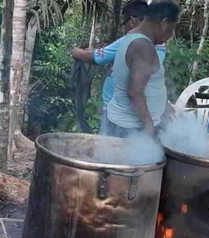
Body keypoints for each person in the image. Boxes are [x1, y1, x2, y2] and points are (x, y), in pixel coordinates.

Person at [72, 0, 167, 135]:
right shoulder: (158, 46)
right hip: (142, 111)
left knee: (109, 151)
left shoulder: (131, 41)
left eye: (124, 23)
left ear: (133, 21)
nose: (124, 29)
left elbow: (96, 58)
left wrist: (77, 52)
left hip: (119, 114)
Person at [106, 0, 180, 138]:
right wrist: (148, 124)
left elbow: (148, 83)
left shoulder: (132, 37)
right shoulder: (143, 46)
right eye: (172, 28)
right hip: (132, 130)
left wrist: (164, 106)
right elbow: (135, 92)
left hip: (125, 126)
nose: (170, 35)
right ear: (163, 23)